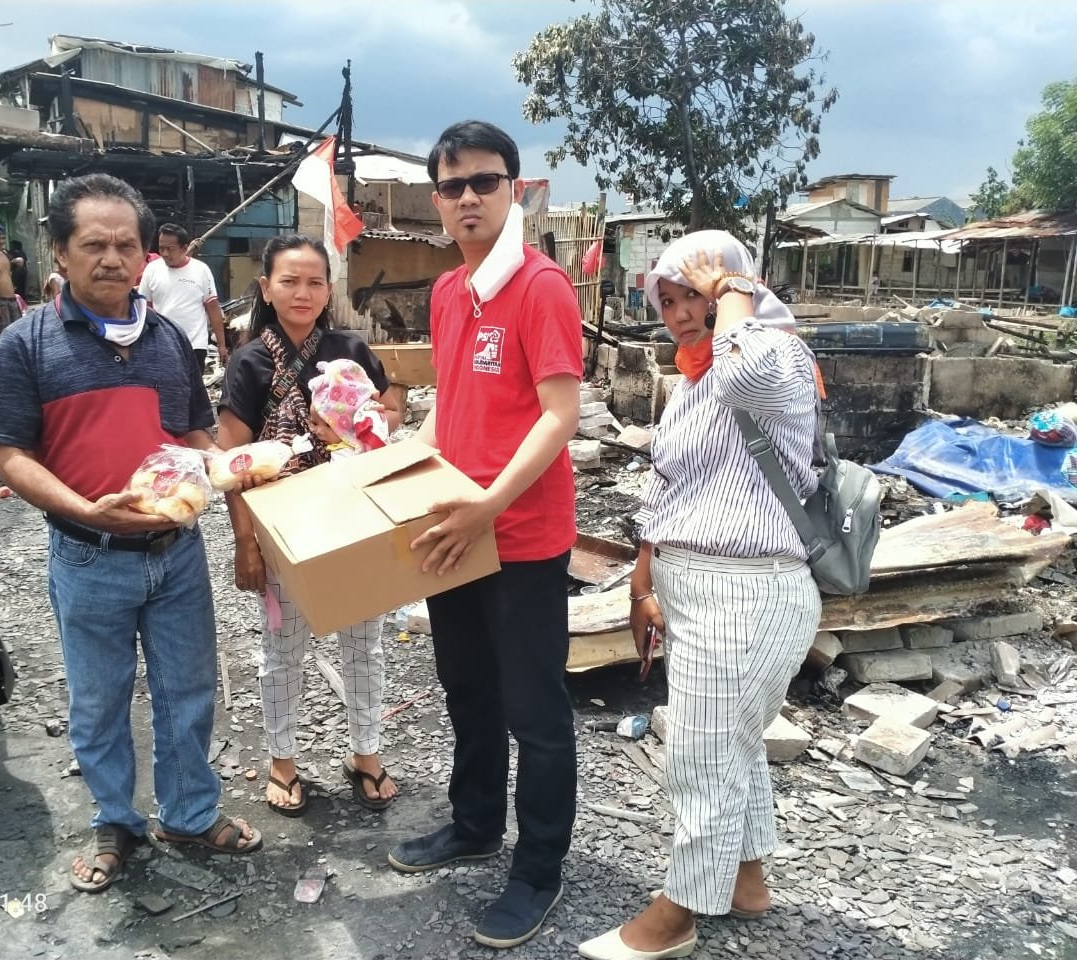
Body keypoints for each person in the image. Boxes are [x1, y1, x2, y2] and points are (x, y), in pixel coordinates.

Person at [0, 173, 261, 896]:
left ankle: (191, 814)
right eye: (92, 244)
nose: (111, 258)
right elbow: (7, 452)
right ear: (59, 254)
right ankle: (114, 822)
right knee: (98, 702)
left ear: (146, 256)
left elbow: (189, 429)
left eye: (125, 244)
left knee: (189, 691)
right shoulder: (27, 342)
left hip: (176, 553)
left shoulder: (164, 339)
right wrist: (81, 508)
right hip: (87, 554)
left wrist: (229, 464)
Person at [577, 230, 820, 960]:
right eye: (671, 297)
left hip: (748, 591)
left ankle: (680, 910)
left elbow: (748, 379)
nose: (683, 312)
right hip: (696, 589)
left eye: (698, 294)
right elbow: (670, 480)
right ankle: (746, 878)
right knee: (729, 746)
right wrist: (644, 579)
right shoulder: (695, 375)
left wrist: (734, 293)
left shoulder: (776, 354)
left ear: (737, 290)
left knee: (699, 755)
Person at [386, 120, 582, 951]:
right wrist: (401, 463)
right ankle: (473, 825)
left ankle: (539, 866)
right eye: (453, 185)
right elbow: (454, 410)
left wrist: (488, 506)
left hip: (523, 535)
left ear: (516, 189)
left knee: (534, 712)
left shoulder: (541, 287)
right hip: (456, 530)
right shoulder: (445, 293)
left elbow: (559, 417)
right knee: (466, 690)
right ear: (437, 200)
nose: (468, 198)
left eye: (485, 182)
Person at [217, 235, 402, 818]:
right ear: (266, 287)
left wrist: (353, 424)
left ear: (329, 290)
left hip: (352, 518)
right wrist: (246, 544)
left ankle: (366, 754)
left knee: (364, 644)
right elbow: (231, 460)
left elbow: (390, 414)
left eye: (315, 282)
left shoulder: (348, 348)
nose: (303, 292)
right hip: (283, 529)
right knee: (283, 647)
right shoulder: (247, 362)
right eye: (289, 281)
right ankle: (283, 760)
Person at [139, 223, 228, 373]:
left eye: (170, 249)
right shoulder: (152, 270)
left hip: (194, 345)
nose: (165, 253)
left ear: (184, 248)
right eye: (161, 248)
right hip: (163, 345)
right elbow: (143, 308)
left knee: (192, 393)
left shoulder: (201, 270)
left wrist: (222, 345)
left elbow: (212, 308)